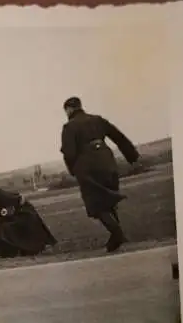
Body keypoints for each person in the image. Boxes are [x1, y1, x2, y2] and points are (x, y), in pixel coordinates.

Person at [60, 96, 140, 252]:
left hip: (88, 167)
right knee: (109, 200)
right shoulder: (98, 120)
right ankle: (115, 241)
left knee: (96, 204)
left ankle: (118, 234)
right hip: (107, 161)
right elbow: (119, 137)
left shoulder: (69, 127)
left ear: (69, 109)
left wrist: (74, 170)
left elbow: (69, 153)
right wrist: (132, 157)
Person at [0, 177, 57, 256]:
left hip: (25, 216)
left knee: (4, 227)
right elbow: (4, 211)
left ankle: (18, 251)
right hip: (23, 214)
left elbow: (8, 211)